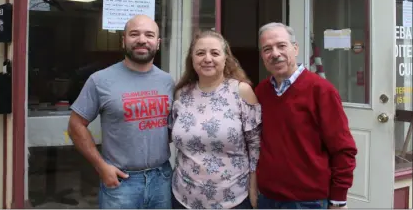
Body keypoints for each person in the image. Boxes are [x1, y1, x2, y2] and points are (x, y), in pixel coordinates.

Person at [67, 15, 175, 209]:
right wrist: (101, 166)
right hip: (121, 181)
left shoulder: (168, 82)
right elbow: (76, 125)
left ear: (157, 43)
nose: (142, 39)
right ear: (123, 40)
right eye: (134, 34)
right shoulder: (99, 80)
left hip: (162, 178)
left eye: (149, 35)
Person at [255, 23, 358, 209]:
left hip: (308, 202)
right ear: (262, 56)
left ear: (295, 48)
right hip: (267, 198)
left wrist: (338, 199)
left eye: (281, 45)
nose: (275, 53)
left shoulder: (321, 91)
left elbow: (343, 149)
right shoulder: (261, 92)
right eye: (267, 49)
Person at [170, 30, 261, 209]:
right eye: (200, 53)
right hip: (183, 198)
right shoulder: (182, 94)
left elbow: (256, 147)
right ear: (192, 59)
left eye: (215, 53)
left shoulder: (241, 92)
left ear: (226, 58)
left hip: (233, 199)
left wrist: (253, 187)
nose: (207, 58)